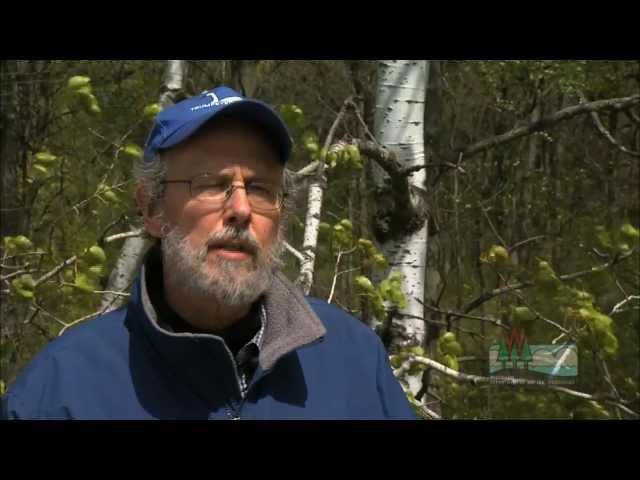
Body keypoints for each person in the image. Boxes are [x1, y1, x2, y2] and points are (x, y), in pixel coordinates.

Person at [1, 86, 416, 420]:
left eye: (259, 188)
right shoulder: (60, 390)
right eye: (212, 185)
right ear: (151, 209)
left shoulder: (355, 362)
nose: (240, 209)